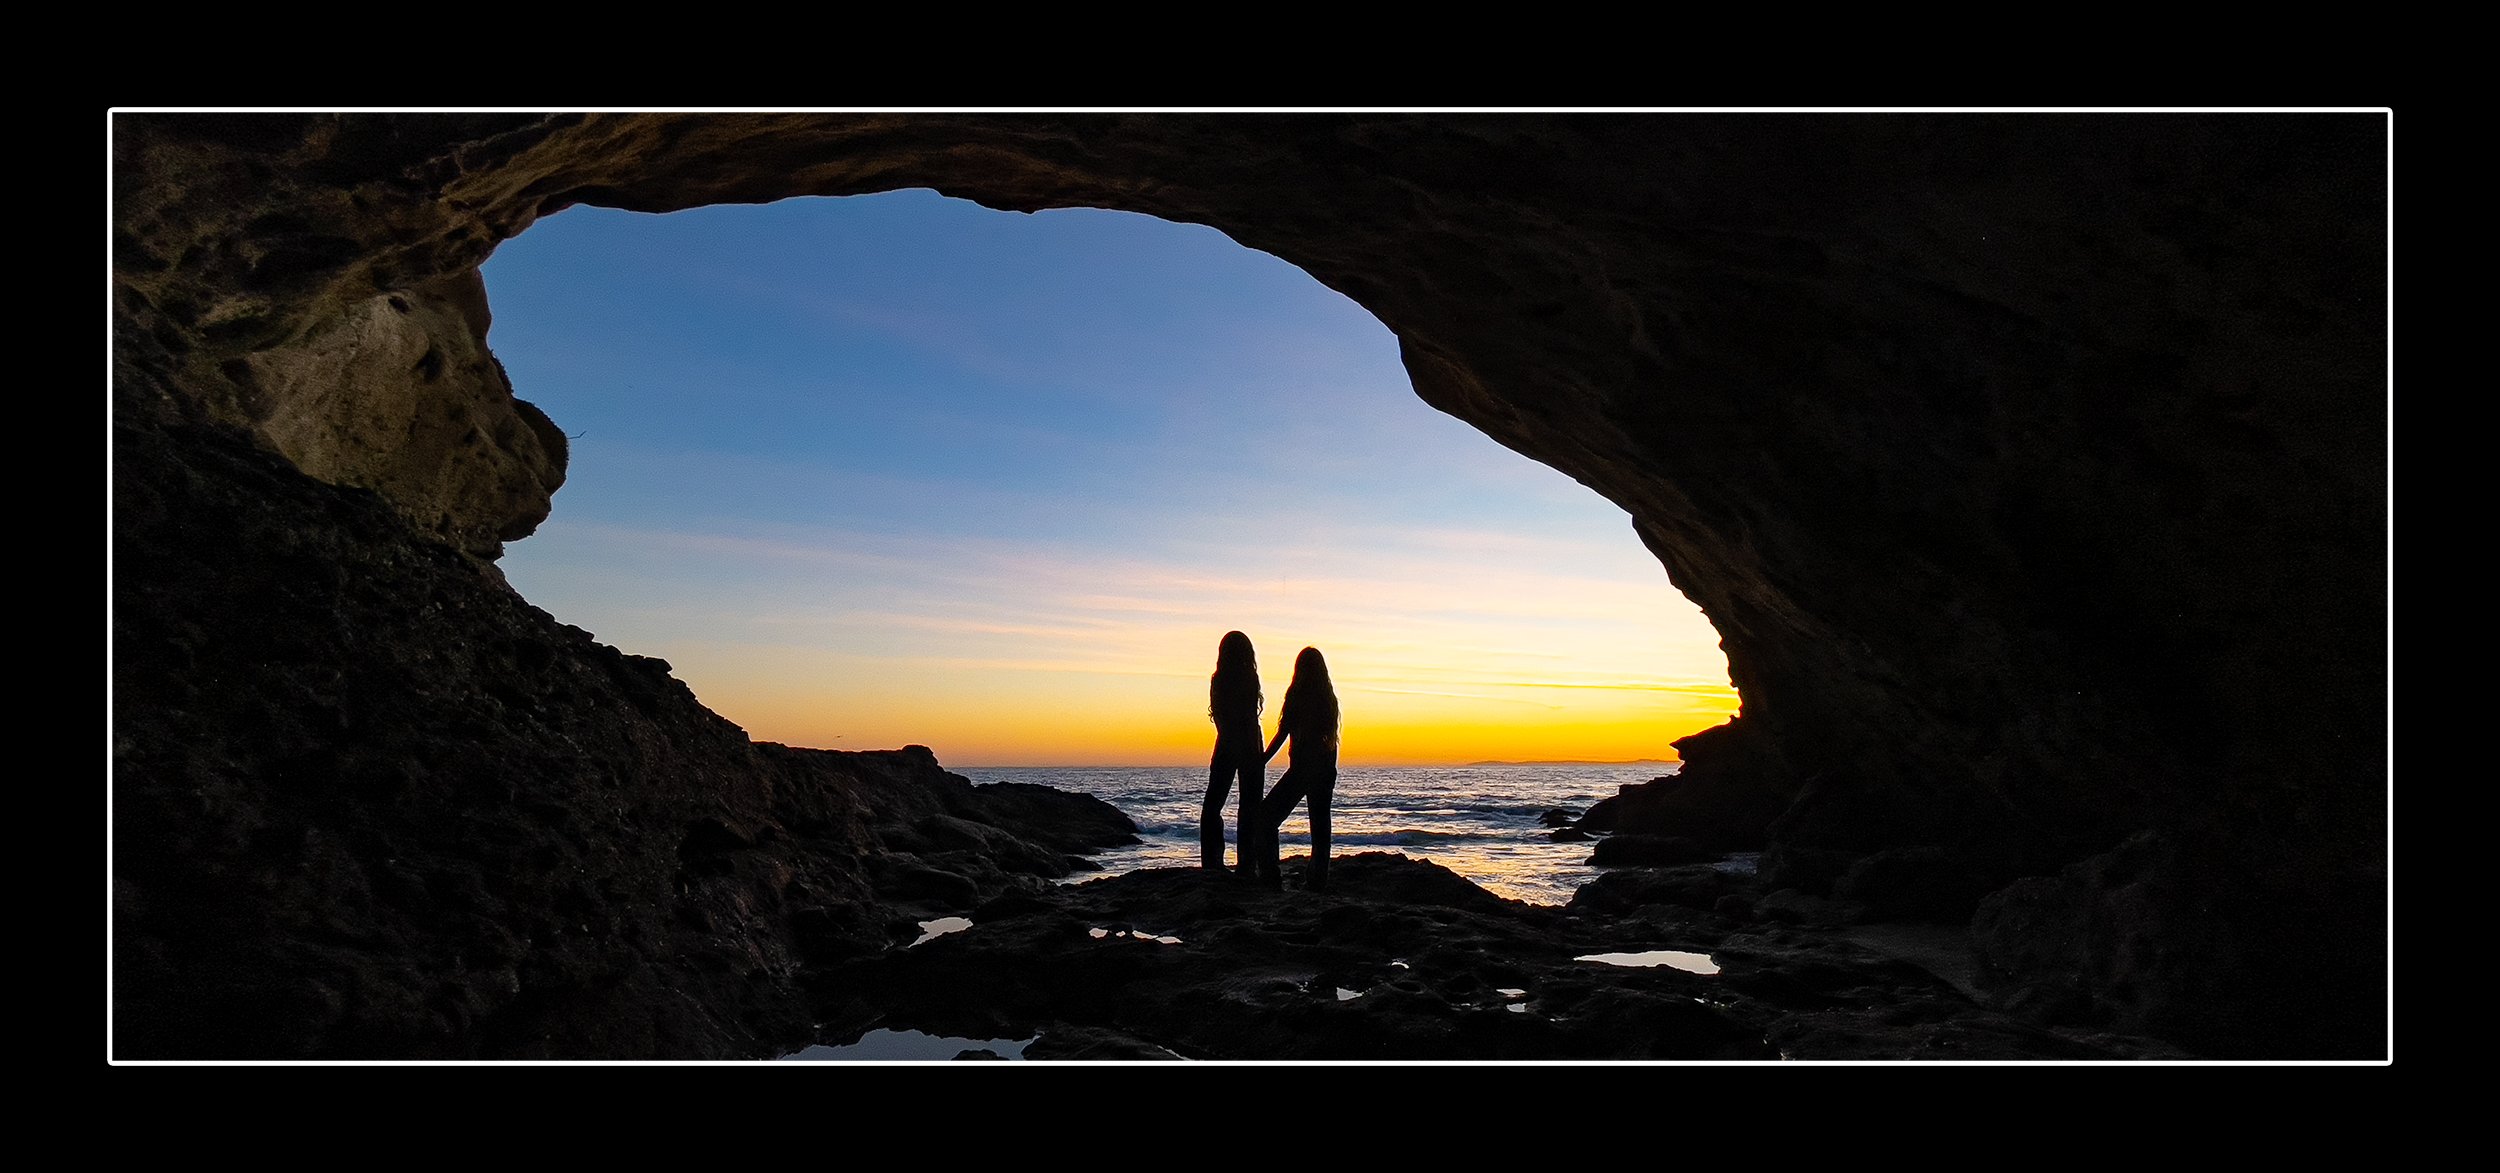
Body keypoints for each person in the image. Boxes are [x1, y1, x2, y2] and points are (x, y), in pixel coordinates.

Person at [1254, 646, 1341, 890]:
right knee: (1321, 829)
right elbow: (1331, 742)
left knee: (1266, 819)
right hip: (1324, 769)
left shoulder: (1297, 695)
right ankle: (1317, 881)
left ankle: (1270, 875)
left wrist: (1262, 759)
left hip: (1302, 769)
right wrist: (1330, 770)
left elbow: (1283, 733)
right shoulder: (1328, 700)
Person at [1202, 631, 1268, 871]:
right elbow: (1250, 716)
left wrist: (1228, 738)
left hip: (1229, 740)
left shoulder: (1219, 679)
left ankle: (1213, 862)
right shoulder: (1251, 677)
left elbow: (1219, 715)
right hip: (1250, 741)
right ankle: (1247, 863)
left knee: (1213, 806)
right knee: (1249, 806)